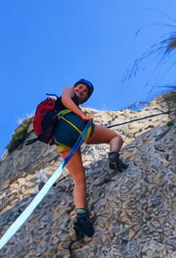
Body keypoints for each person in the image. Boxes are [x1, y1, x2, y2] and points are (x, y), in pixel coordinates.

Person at [53, 78, 127, 238]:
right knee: (115, 138)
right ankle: (113, 157)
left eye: (84, 91)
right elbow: (66, 99)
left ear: (85, 98)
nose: (81, 91)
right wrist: (82, 115)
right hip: (75, 126)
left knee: (79, 180)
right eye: (79, 88)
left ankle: (81, 216)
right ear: (75, 88)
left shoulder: (65, 106)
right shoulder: (68, 90)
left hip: (61, 141)